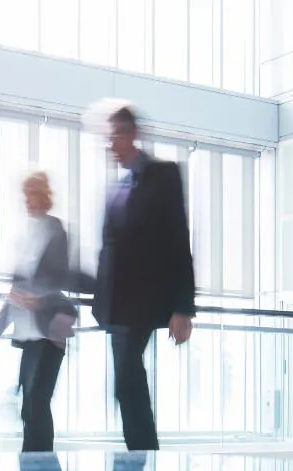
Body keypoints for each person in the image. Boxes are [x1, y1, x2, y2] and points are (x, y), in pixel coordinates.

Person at [92, 106, 196, 451]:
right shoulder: (116, 188)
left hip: (145, 300)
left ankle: (142, 456)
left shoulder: (163, 175)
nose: (110, 147)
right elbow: (108, 248)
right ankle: (140, 456)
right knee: (126, 384)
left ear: (130, 134)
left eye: (113, 138)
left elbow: (179, 239)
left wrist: (183, 308)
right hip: (116, 306)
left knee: (126, 381)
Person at [0, 171, 78, 453]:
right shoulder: (25, 235)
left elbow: (60, 278)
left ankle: (43, 469)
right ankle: (33, 467)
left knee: (37, 399)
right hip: (28, 334)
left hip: (49, 330)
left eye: (31, 196)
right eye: (25, 197)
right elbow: (16, 289)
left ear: (43, 196)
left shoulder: (55, 230)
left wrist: (41, 298)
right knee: (29, 402)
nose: (27, 202)